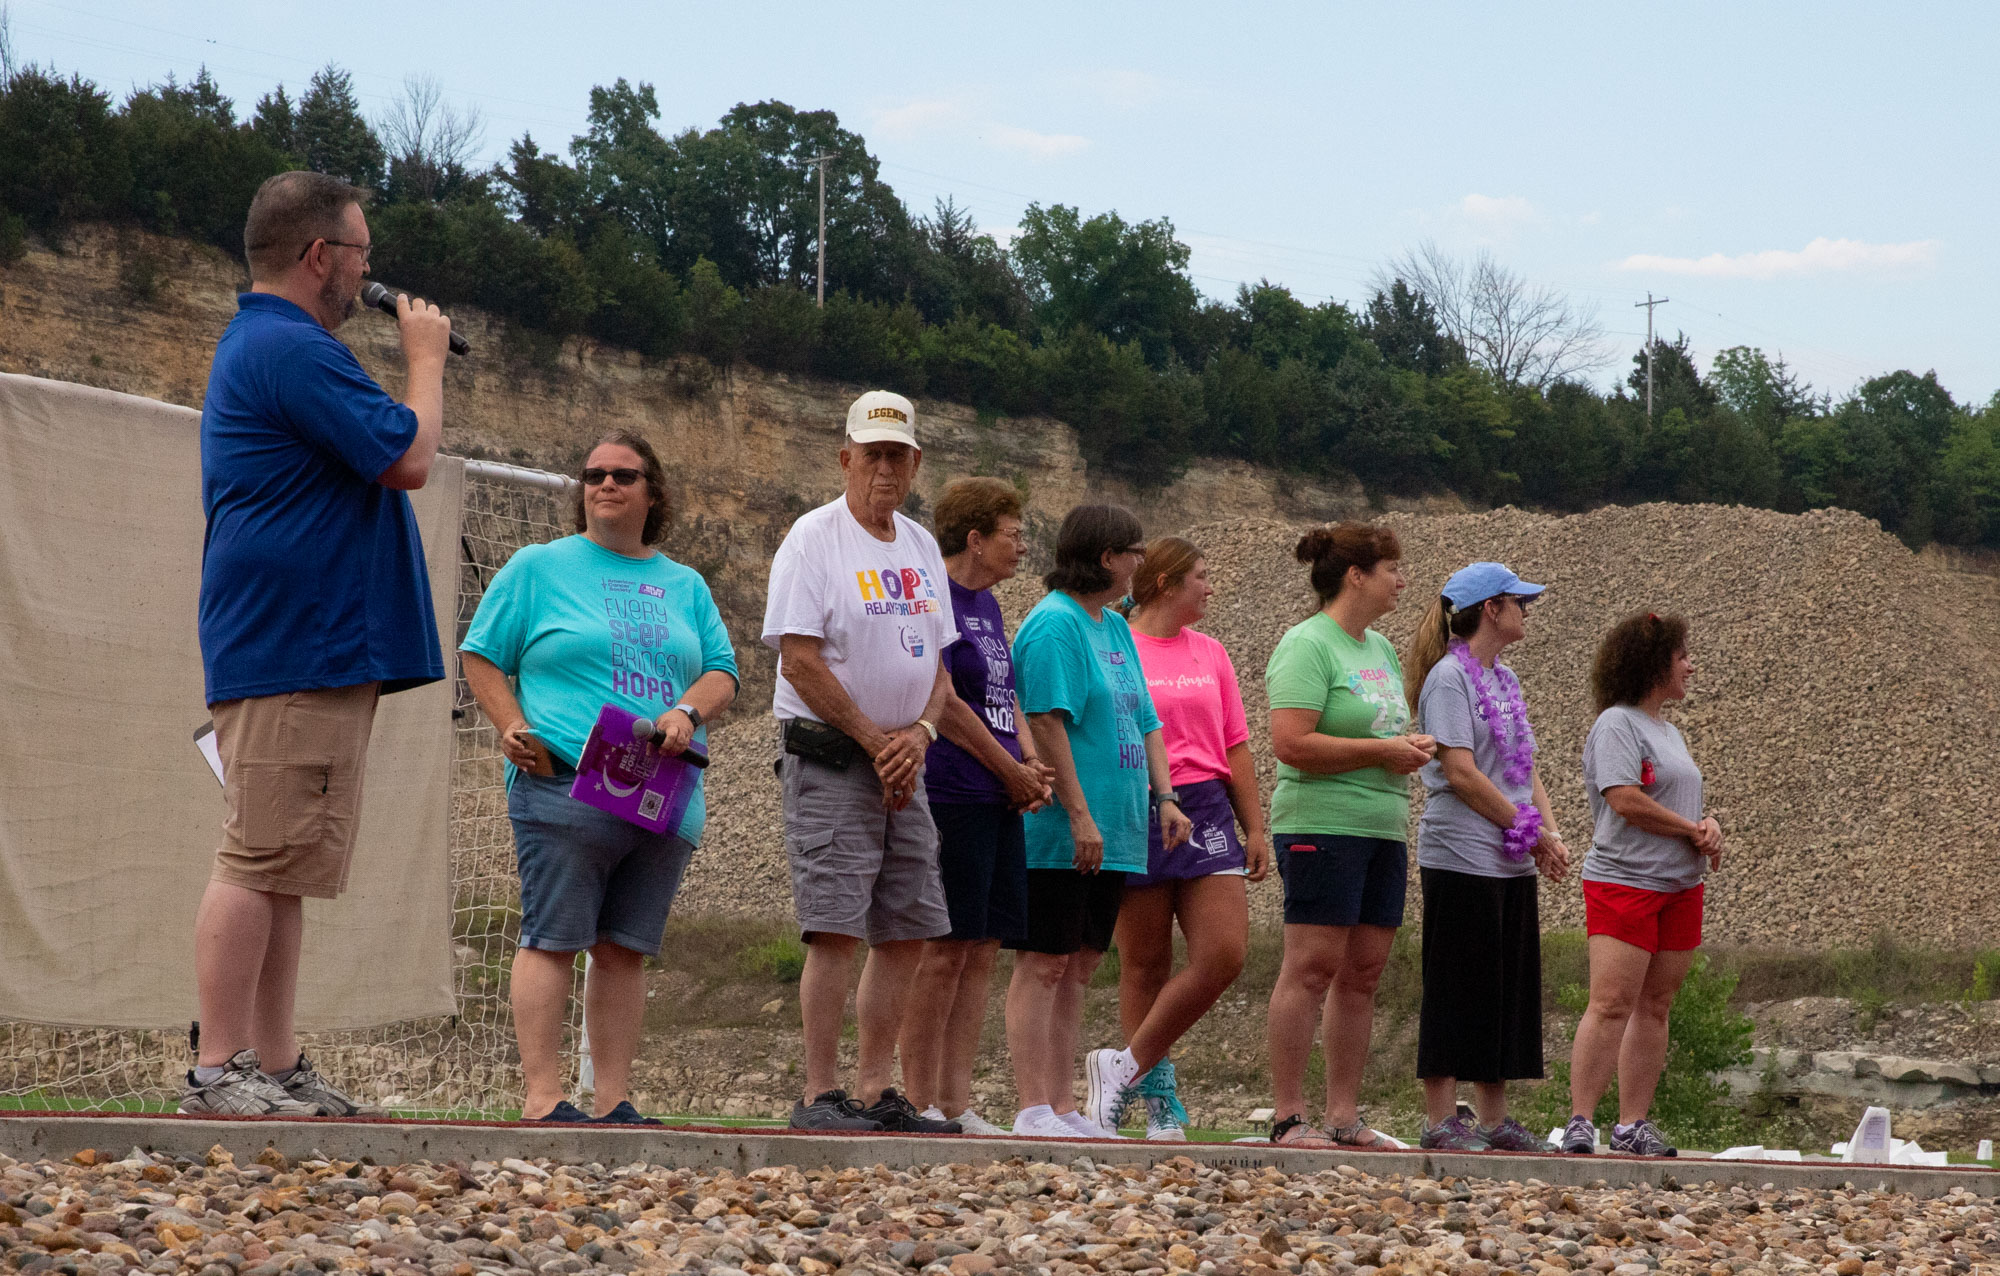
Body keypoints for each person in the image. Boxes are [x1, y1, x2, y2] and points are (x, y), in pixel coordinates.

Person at [184, 171, 453, 1116]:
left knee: (286, 861)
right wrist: (426, 358)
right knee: (257, 857)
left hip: (312, 649)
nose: (367, 274)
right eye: (362, 255)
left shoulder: (278, 347)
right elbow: (407, 457)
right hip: (291, 647)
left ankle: (276, 1062)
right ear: (318, 256)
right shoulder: (289, 348)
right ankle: (219, 1067)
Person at [460, 431, 739, 1123]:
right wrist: (510, 726)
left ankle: (613, 1100)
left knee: (625, 950)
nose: (606, 484)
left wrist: (684, 710)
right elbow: (481, 655)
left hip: (661, 792)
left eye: (623, 474)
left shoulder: (687, 584)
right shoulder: (537, 567)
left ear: (653, 492)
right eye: (593, 474)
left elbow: (722, 671)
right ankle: (544, 1097)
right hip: (563, 784)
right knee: (552, 936)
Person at [761, 390, 963, 1134]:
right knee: (835, 927)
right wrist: (880, 741)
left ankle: (877, 1089)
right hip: (833, 758)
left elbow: (942, 671)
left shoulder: (916, 546)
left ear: (916, 463)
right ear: (845, 456)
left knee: (907, 927)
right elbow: (800, 660)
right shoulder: (814, 539)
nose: (885, 467)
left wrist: (921, 737)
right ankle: (820, 1092)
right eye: (872, 453)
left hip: (903, 764)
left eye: (897, 454)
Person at [1005, 505, 1192, 1139]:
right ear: (1107, 557)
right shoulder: (1055, 625)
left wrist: (1165, 795)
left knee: (1081, 962)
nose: (1143, 563)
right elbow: (1046, 720)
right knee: (1044, 961)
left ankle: (1062, 1105)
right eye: (1135, 551)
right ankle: (1033, 1106)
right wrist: (1079, 814)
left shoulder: (1112, 626)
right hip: (1067, 829)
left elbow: (1145, 717)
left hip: (1118, 825)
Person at [1085, 538, 1271, 1141]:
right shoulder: (1116, 641)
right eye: (1201, 575)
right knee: (1145, 965)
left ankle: (1124, 1069)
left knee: (1223, 954)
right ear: (1165, 582)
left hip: (1208, 806)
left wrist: (1256, 826)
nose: (1211, 587)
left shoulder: (1212, 652)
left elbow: (1235, 742)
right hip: (1136, 803)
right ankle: (1158, 1098)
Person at [1262, 522, 1435, 1150]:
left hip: (1381, 825)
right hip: (1320, 822)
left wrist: (1405, 748)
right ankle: (1288, 1117)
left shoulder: (1381, 650)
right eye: (1392, 567)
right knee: (1310, 967)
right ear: (1356, 575)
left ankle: (1343, 1115)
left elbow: (1379, 734)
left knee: (1362, 973)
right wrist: (1380, 750)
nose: (1402, 579)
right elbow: (1290, 743)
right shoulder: (1308, 645)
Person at [897, 477, 1055, 1136]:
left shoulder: (990, 609)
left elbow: (1002, 695)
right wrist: (1009, 769)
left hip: (998, 792)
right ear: (976, 538)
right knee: (943, 949)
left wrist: (1030, 762)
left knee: (983, 949)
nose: (1022, 547)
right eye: (1013, 535)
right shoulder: (937, 600)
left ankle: (956, 1103)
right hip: (954, 789)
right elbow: (950, 704)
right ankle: (917, 1096)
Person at [1406, 562, 1570, 1153]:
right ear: (1492, 609)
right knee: (1456, 981)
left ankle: (1496, 1120)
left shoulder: (1505, 679)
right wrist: (1531, 833)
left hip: (1509, 855)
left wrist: (1548, 832)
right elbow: (1461, 773)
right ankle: (1440, 1117)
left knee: (1504, 986)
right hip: (1461, 854)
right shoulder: (1449, 679)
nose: (1527, 609)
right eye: (1518, 601)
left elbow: (1524, 768)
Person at [1562, 611, 1721, 1158]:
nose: (1691, 667)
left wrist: (1708, 827)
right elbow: (1624, 798)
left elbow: (1682, 801)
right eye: (1682, 657)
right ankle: (1581, 1119)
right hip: (1625, 882)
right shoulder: (1616, 724)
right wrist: (1691, 829)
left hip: (1680, 884)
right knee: (1610, 1002)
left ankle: (1633, 1122)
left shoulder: (1669, 731)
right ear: (1655, 664)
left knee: (1655, 1005)